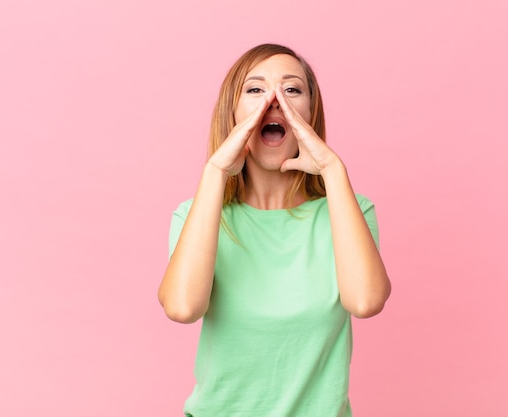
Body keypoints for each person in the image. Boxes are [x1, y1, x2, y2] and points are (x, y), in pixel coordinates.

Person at [158, 43, 391, 417]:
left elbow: (365, 302)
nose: (273, 100)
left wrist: (333, 171)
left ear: (310, 113)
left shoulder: (350, 211)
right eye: (255, 89)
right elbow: (183, 307)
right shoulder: (197, 216)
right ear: (232, 112)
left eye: (292, 89)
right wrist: (215, 172)